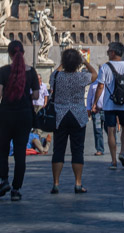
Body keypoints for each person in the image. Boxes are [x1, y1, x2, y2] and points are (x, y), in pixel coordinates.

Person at [0, 40, 40, 201]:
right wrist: (25, 96)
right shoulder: (31, 72)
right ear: (23, 53)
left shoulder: (3, 71)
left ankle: (4, 180)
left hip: (5, 115)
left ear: (9, 54)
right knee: (20, 154)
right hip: (25, 115)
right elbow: (37, 95)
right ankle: (16, 190)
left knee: (0, 150)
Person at [50, 48, 97, 194]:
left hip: (60, 116)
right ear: (77, 63)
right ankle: (78, 183)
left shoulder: (56, 76)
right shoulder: (81, 77)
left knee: (58, 150)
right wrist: (85, 62)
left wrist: (63, 63)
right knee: (78, 150)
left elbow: (55, 73)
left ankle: (56, 183)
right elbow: (95, 74)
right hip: (78, 116)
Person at [92, 42, 124, 169]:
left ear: (113, 52)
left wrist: (95, 103)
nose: (108, 53)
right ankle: (122, 152)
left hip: (109, 105)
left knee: (111, 130)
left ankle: (113, 160)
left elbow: (100, 86)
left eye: (109, 51)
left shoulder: (105, 67)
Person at [87, 80, 105, 155]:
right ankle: (99, 149)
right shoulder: (93, 85)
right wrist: (88, 108)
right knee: (98, 131)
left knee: (110, 130)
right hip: (96, 111)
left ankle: (113, 146)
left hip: (107, 110)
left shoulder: (108, 83)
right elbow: (89, 97)